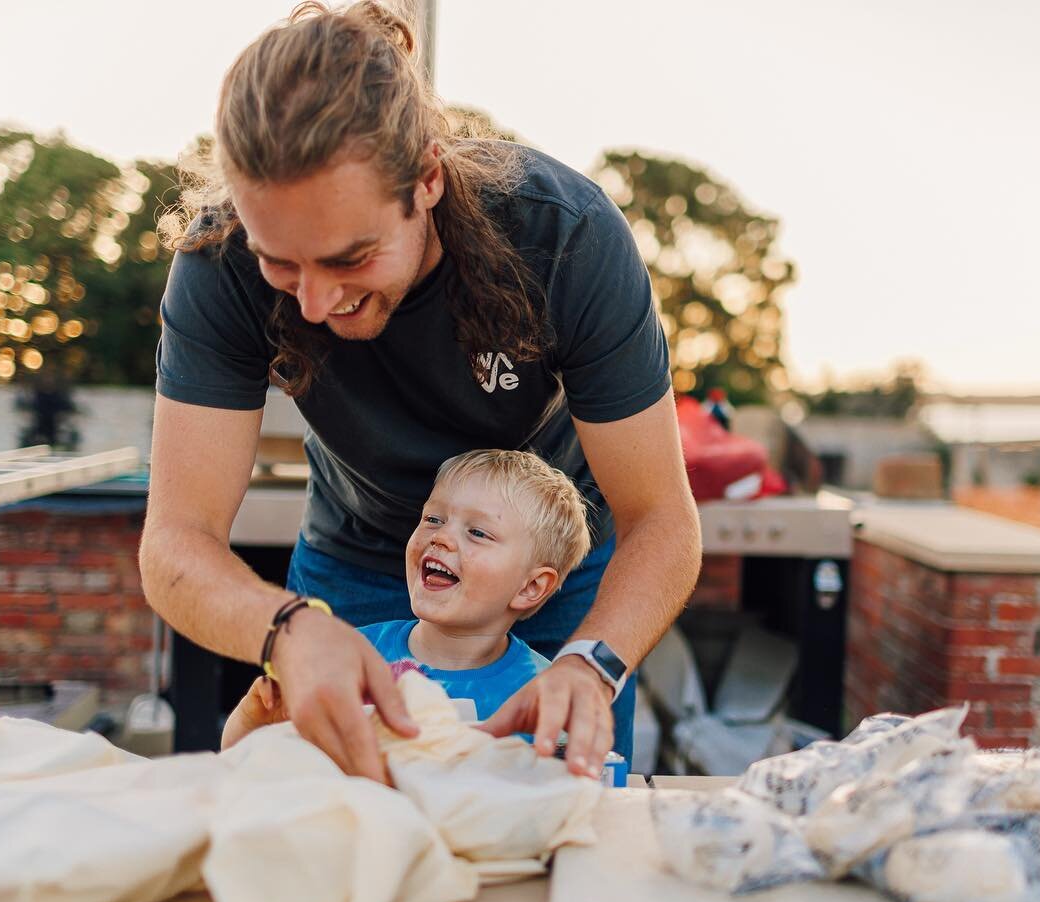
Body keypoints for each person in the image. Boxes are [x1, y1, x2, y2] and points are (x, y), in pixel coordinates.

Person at [139, 1, 701, 784]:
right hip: (355, 560)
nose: (311, 305)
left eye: (351, 258)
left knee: (556, 829)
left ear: (427, 180)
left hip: (553, 572)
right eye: (281, 264)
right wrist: (285, 629)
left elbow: (663, 522)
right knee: (332, 820)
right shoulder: (219, 263)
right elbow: (175, 542)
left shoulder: (564, 238)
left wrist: (589, 664)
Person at [220, 449, 592, 750]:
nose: (441, 537)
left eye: (477, 532)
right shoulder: (353, 656)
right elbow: (252, 771)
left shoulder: (545, 693)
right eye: (433, 519)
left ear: (530, 587)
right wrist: (254, 721)